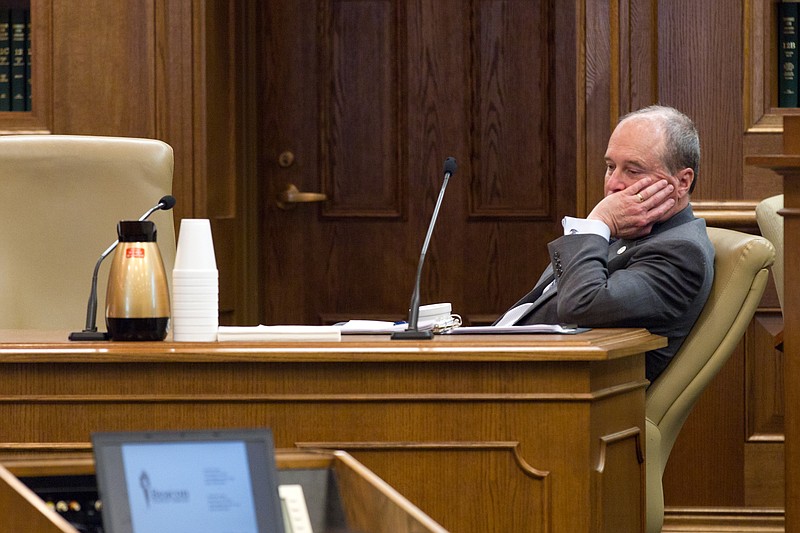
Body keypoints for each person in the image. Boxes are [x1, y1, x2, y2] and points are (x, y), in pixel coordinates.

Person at [495, 105, 714, 383]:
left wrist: (598, 220)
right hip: (509, 364)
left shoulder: (681, 252)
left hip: (550, 393)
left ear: (682, 181)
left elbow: (580, 305)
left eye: (633, 171)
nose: (613, 184)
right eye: (611, 167)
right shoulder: (623, 230)